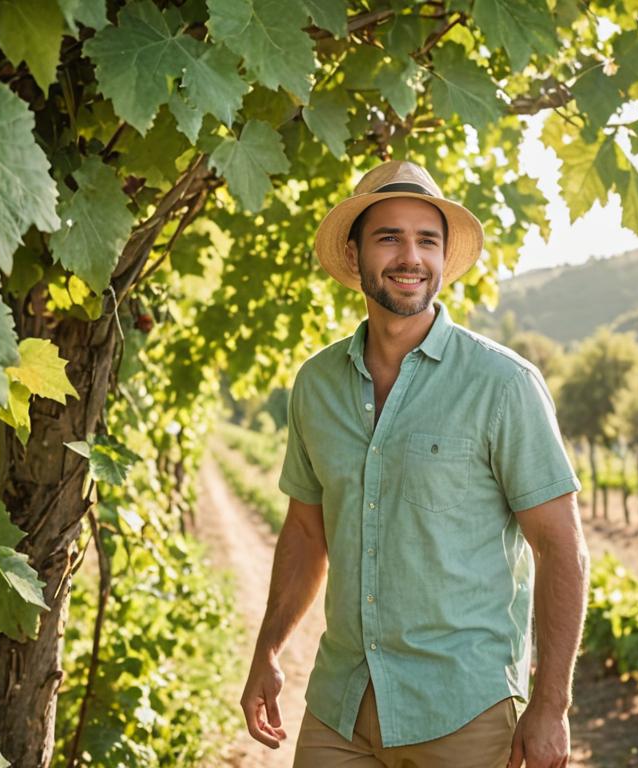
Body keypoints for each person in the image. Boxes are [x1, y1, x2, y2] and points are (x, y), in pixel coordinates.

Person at [240, 160, 590, 768]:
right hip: (341, 705)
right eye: (389, 237)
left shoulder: (502, 384)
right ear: (355, 255)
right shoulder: (315, 384)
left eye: (427, 240)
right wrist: (268, 649)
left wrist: (550, 706)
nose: (410, 256)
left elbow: (561, 547)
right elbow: (304, 530)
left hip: (464, 710)